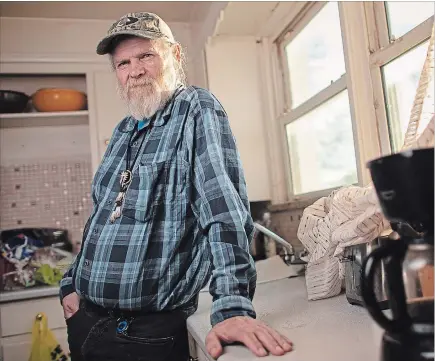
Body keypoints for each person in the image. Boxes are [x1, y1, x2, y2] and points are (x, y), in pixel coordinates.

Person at [60, 12, 293, 361]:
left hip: (143, 336)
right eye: (123, 63)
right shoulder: (123, 131)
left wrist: (232, 309)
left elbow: (225, 214)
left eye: (145, 56)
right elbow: (100, 221)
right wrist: (71, 283)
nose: (134, 70)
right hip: (85, 323)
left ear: (175, 56)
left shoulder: (196, 109)